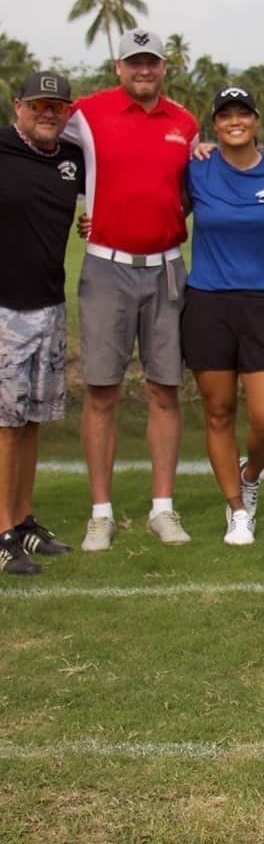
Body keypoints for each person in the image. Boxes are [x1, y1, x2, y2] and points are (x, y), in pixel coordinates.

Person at [64, 29, 198, 552]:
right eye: (135, 62)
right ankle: (100, 514)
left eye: (152, 62)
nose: (144, 70)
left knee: (164, 390)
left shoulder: (185, 123)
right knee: (102, 391)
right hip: (106, 269)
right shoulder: (86, 113)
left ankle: (162, 508)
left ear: (163, 67)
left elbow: (186, 192)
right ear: (118, 66)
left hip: (166, 269)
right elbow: (41, 134)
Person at [181, 86, 264, 545]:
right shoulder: (196, 169)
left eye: (243, 113)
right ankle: (237, 509)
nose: (234, 121)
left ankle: (249, 474)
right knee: (219, 412)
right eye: (225, 115)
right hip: (208, 304)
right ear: (215, 124)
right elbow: (162, 214)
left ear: (256, 120)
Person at [0, 72, 84, 574]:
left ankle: (22, 520)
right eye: (38, 105)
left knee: (32, 422)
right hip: (5, 309)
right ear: (19, 106)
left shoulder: (72, 158)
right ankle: (1, 533)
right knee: (5, 427)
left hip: (50, 305)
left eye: (57, 106)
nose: (48, 114)